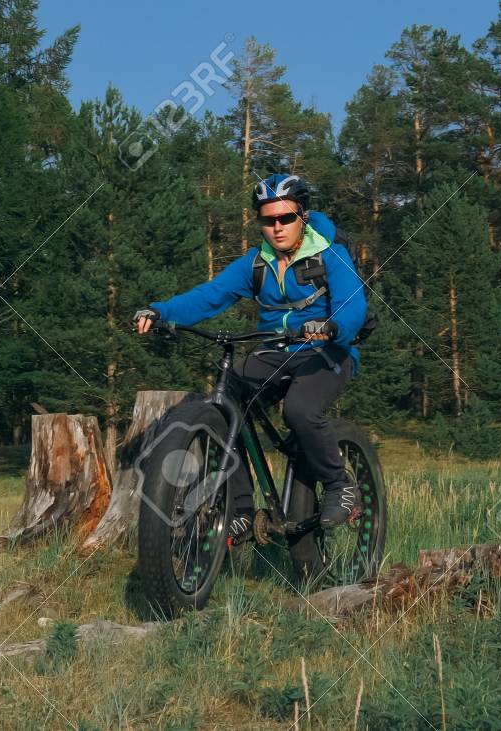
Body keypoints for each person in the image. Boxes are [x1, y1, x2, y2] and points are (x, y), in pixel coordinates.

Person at [134, 173, 368, 562]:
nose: (277, 227)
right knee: (228, 399)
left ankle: (339, 484)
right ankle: (240, 509)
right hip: (274, 349)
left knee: (300, 410)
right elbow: (210, 296)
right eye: (268, 220)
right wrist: (162, 311)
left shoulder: (330, 254)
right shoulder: (255, 262)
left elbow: (352, 305)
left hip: (327, 349)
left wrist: (332, 326)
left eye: (285, 219)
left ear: (302, 217)